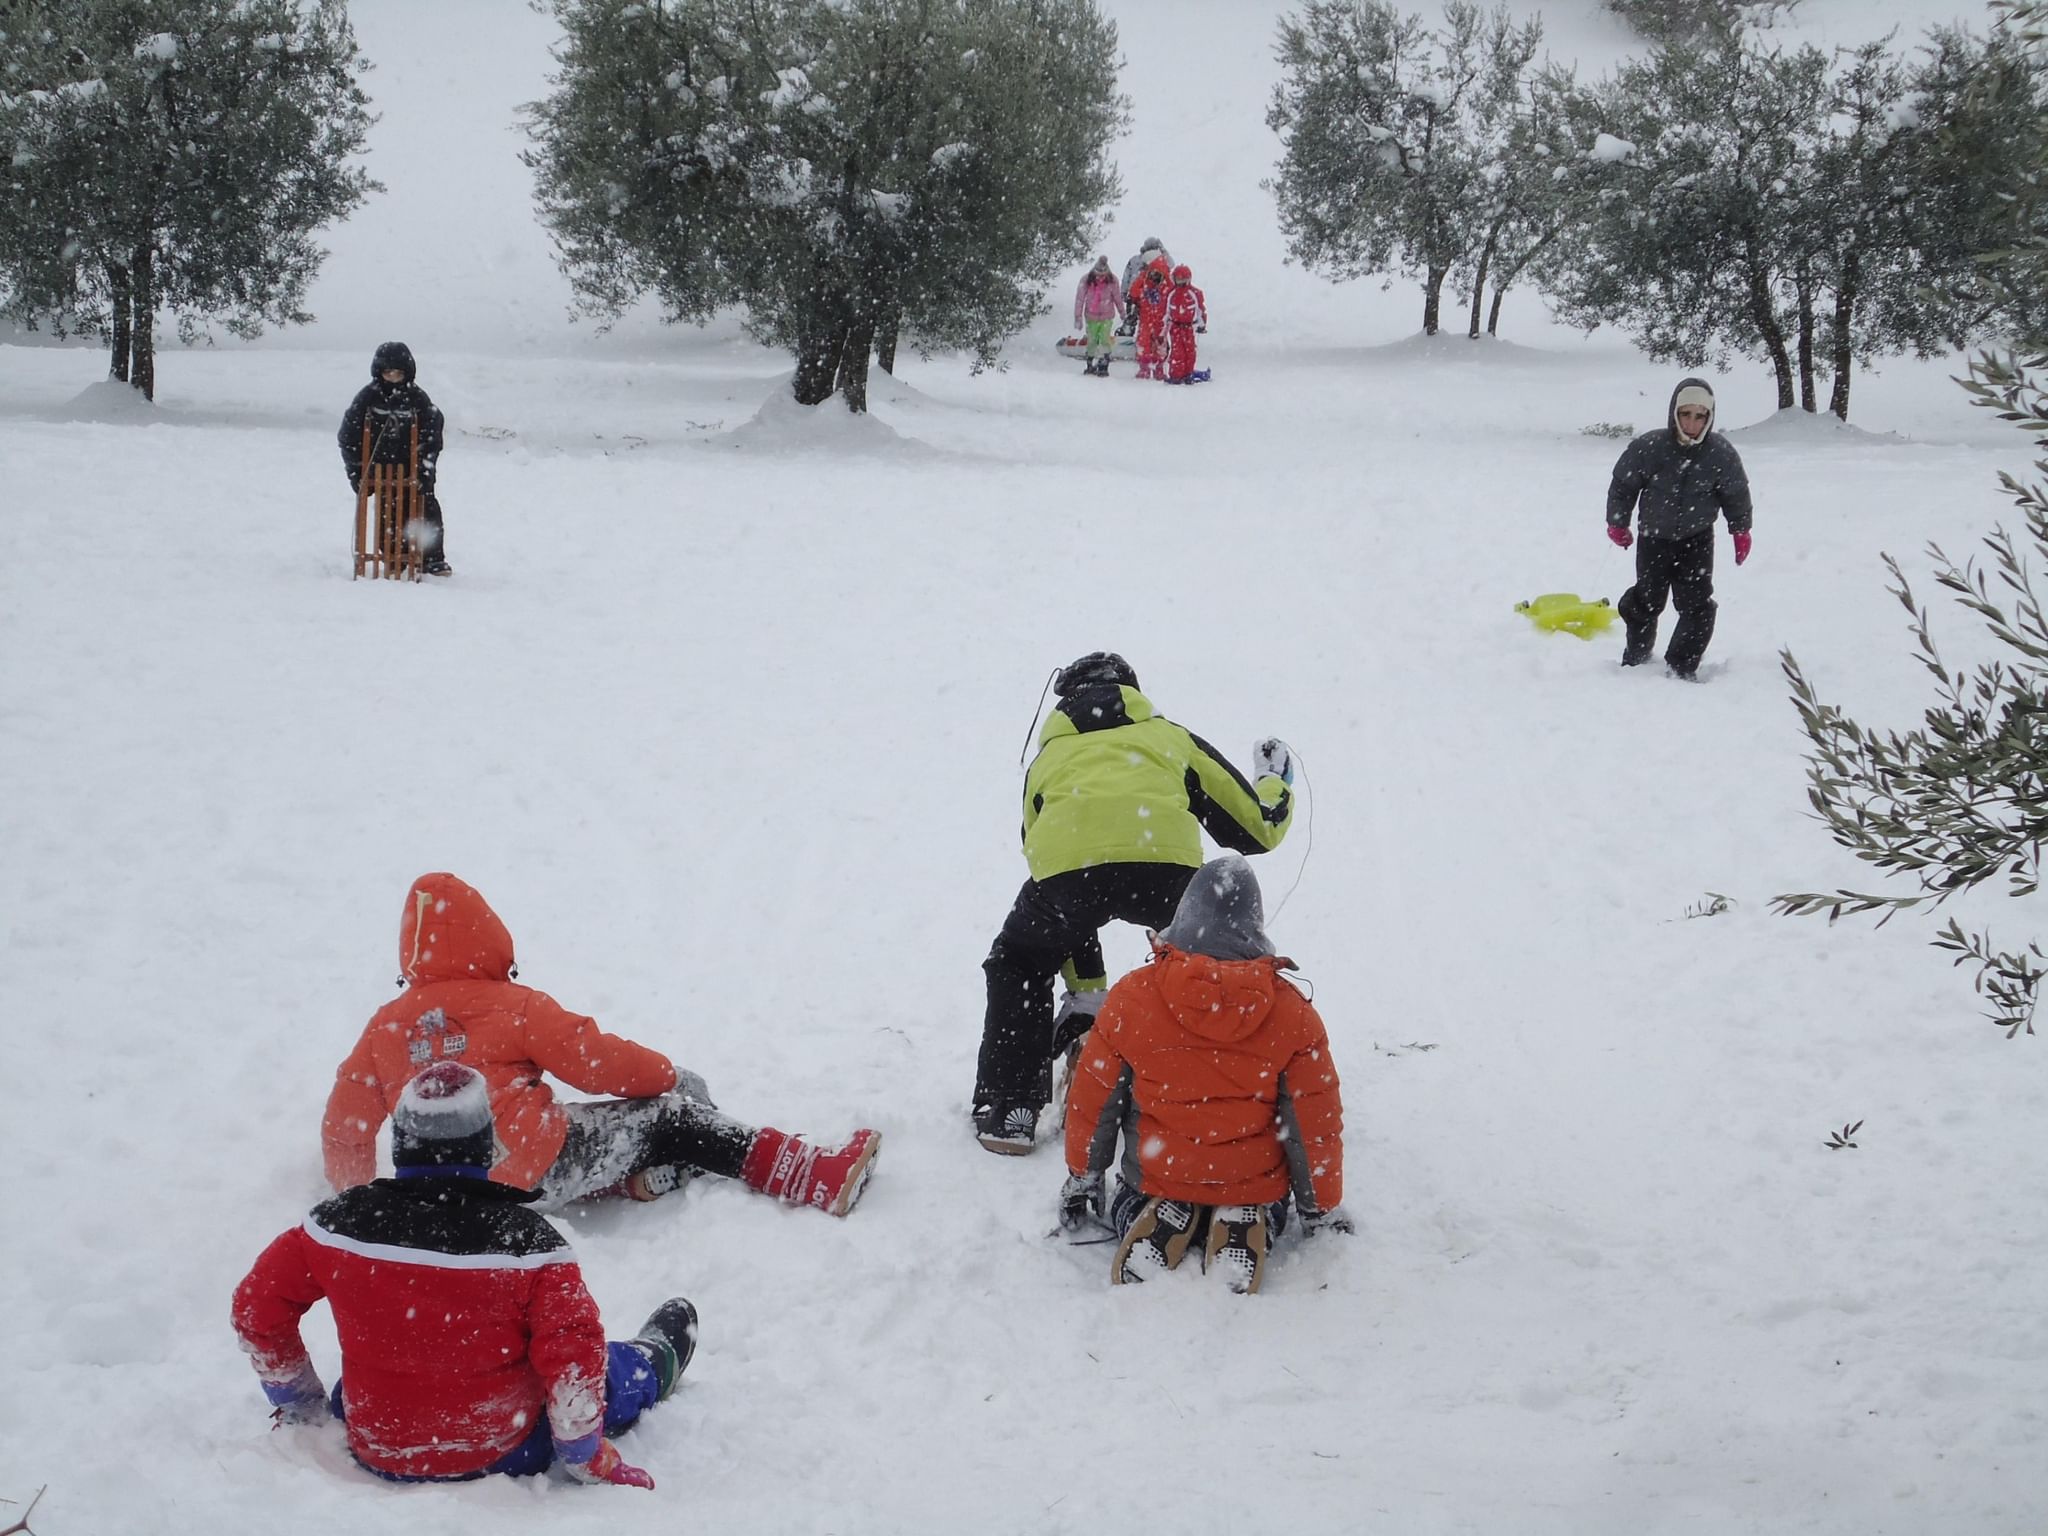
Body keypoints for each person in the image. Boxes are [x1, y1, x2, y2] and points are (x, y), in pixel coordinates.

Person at [234, 1062, 697, 1486]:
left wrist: (302, 1405)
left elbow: (255, 1307)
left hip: (377, 1441)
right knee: (610, 1373)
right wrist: (585, 1455)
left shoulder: (335, 1228)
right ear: (483, 1147)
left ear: (401, 1143)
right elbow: (574, 1359)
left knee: (373, 1382)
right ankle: (654, 1361)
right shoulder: (530, 1246)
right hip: (507, 1448)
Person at [322, 872, 880, 1216]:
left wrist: (357, 1198)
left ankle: (633, 1181)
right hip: (534, 1171)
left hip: (448, 1195)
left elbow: (344, 1126)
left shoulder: (385, 1027)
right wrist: (666, 1076)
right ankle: (814, 1176)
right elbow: (597, 1064)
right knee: (673, 1117)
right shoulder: (514, 1005)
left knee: (575, 1126)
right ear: (489, 939)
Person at [973, 652, 1296, 1155]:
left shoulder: (1046, 761)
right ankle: (1237, 1095)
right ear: (1132, 691)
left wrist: (1086, 991)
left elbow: (1045, 857)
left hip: (1068, 876)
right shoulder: (1168, 737)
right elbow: (1258, 829)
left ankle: (1010, 1109)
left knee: (1022, 959)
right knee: (1211, 966)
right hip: (1164, 869)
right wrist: (1275, 780)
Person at [1058, 856, 1348, 1294]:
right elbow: (1312, 1125)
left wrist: (1084, 1175)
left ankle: (1152, 1213)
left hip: (1156, 1175)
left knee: (1132, 1200)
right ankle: (1241, 1219)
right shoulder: (1292, 1013)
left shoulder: (1134, 997)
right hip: (1254, 1185)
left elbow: (1095, 1101)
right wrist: (1319, 1208)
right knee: (1263, 1206)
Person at [1605, 376, 1754, 680]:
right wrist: (1617, 522)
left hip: (1696, 540)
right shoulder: (1650, 447)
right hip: (1654, 539)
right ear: (1674, 413)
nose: (1691, 423)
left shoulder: (1720, 454)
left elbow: (1735, 493)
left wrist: (1740, 529)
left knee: (1697, 606)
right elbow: (1623, 484)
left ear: (1709, 418)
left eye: (1700, 416)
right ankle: (1637, 656)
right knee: (1647, 601)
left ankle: (1682, 666)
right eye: (1685, 414)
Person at [338, 341, 452, 577]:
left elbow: (432, 433)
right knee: (388, 512)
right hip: (380, 468)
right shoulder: (368, 398)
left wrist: (425, 469)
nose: (392, 377)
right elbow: (348, 435)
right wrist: (357, 471)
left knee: (424, 507)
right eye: (388, 372)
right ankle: (394, 554)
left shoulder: (417, 398)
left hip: (411, 466)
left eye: (398, 373)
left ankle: (431, 558)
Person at [1073, 256, 1124, 377]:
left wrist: (1122, 312)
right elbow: (1080, 299)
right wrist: (1078, 317)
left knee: (1104, 341)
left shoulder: (1112, 281)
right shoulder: (1086, 280)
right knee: (1092, 341)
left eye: (1103, 275)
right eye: (1098, 275)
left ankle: (1103, 365)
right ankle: (1090, 364)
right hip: (1091, 317)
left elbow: (1117, 298)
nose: (1100, 277)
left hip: (1107, 316)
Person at [1162, 264, 1208, 385]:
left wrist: (1202, 324)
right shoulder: (1171, 293)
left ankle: (1188, 373)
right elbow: (1166, 310)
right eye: (1179, 279)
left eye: (1184, 279)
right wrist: (1164, 325)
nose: (1181, 281)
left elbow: (1200, 310)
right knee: (1177, 352)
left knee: (1190, 351)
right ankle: (1176, 374)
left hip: (1189, 327)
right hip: (1176, 327)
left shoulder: (1194, 293)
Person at [1128, 258, 1172, 382]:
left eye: (1158, 274)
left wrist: (1167, 277)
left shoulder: (1166, 287)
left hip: (1161, 322)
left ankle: (1159, 368)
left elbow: (1173, 293)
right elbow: (1133, 292)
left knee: (1161, 346)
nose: (1154, 277)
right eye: (1152, 273)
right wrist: (1143, 278)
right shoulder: (1145, 284)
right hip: (1146, 320)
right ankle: (1144, 368)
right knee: (1143, 343)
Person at [1118, 237, 1170, 333]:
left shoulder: (1159, 260)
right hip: (1139, 294)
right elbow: (1126, 276)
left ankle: (1134, 336)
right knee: (1135, 319)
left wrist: (1124, 291)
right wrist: (1124, 292)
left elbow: (1126, 277)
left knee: (1144, 321)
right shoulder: (1136, 260)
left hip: (1146, 295)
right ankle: (1129, 335)